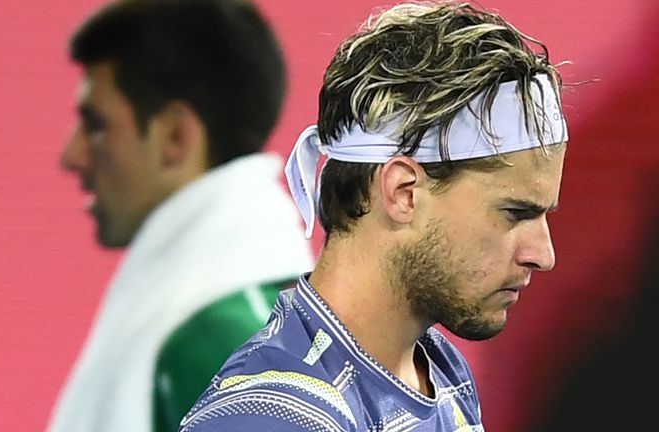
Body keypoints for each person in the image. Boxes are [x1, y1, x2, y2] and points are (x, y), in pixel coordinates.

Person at [180, 2, 568, 431]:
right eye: (515, 213)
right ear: (403, 192)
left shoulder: (441, 371)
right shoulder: (270, 418)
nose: (543, 255)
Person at [48, 0, 313, 431]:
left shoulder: (222, 336)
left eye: (96, 124)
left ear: (175, 136)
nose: (71, 155)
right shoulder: (207, 310)